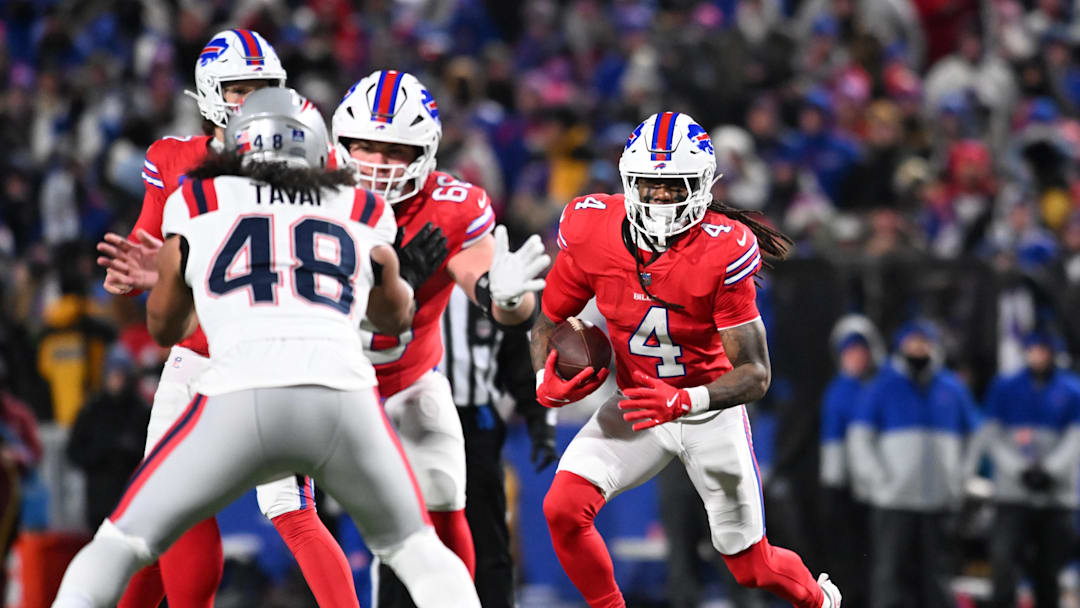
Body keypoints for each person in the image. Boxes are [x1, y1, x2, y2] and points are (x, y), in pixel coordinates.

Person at [51, 87, 481, 608]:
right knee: (418, 550)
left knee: (120, 544)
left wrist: (177, 275)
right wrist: (396, 277)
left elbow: (165, 329)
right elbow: (393, 317)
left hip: (234, 392)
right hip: (341, 395)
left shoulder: (198, 200)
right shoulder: (364, 207)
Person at [529, 111, 841, 608]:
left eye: (673, 186)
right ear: (628, 182)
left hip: (707, 410)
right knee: (563, 509)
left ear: (702, 186)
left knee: (750, 567)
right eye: (649, 185)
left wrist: (684, 400)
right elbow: (549, 317)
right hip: (639, 404)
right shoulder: (590, 228)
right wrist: (545, 375)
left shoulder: (724, 248)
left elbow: (756, 374)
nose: (659, 199)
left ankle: (822, 601)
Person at [94, 30, 358, 608]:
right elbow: (147, 242)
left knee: (289, 507)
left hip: (268, 347)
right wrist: (139, 268)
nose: (254, 101)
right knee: (156, 504)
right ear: (212, 94)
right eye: (240, 89)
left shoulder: (305, 156)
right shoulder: (171, 158)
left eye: (264, 89)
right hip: (194, 354)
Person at [331, 69, 549, 602]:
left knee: (447, 497)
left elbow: (495, 295)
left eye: (395, 151)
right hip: (324, 380)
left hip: (408, 380)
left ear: (424, 153)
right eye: (365, 147)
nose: (377, 164)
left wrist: (506, 296)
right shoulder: (305, 194)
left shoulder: (454, 204)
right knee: (300, 515)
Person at [848, 320, 981, 608]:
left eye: (924, 342)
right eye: (913, 341)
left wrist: (960, 477)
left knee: (937, 575)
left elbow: (975, 434)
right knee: (890, 574)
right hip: (894, 500)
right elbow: (860, 438)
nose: (919, 348)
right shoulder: (883, 386)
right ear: (902, 344)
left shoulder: (952, 388)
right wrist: (878, 480)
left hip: (938, 499)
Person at [983, 331, 1080, 608]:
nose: (1038, 355)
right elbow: (992, 436)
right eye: (1034, 349)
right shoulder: (1005, 387)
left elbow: (1075, 438)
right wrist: (1020, 471)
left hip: (1056, 496)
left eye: (1044, 349)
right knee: (1004, 565)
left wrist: (1050, 471)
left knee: (1049, 572)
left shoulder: (1072, 390)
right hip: (1013, 495)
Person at [819, 314, 884, 608]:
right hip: (845, 489)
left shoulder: (882, 387)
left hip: (877, 488)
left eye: (860, 351)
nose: (855, 358)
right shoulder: (836, 391)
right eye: (849, 352)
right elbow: (832, 441)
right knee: (848, 554)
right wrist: (834, 482)